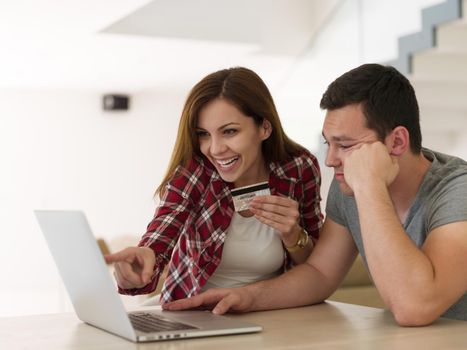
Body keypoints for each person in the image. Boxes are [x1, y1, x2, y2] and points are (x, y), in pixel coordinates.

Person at [163, 63, 467, 326]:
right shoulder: (348, 185)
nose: (330, 160)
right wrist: (245, 297)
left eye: (345, 145)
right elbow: (320, 272)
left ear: (397, 141)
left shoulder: (457, 190)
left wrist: (370, 188)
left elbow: (414, 308)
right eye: (328, 144)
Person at [105, 67, 323, 304]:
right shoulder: (194, 173)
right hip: (195, 311)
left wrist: (293, 235)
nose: (215, 148)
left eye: (229, 131)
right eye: (203, 134)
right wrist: (144, 262)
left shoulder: (299, 169)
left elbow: (318, 268)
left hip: (271, 311)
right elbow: (162, 232)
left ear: (264, 128)